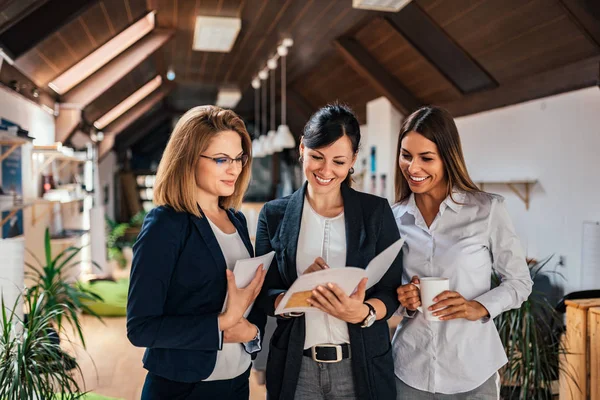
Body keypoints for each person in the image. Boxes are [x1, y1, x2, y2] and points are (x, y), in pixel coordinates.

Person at [255, 104, 403, 400]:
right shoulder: (273, 215)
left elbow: (390, 290)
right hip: (297, 368)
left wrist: (363, 312)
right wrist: (293, 296)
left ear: (353, 161)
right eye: (317, 157)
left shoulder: (376, 212)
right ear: (302, 149)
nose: (325, 171)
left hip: (360, 365)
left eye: (338, 161)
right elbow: (262, 292)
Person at [392, 106, 533, 399]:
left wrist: (478, 307)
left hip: (473, 371)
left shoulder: (487, 210)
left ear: (448, 158)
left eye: (426, 158)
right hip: (409, 369)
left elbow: (520, 282)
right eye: (406, 155)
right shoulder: (393, 219)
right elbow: (386, 294)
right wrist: (403, 299)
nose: (413, 168)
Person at [126, 106, 267, 400]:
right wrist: (220, 325)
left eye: (239, 158)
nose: (234, 169)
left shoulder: (236, 220)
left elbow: (244, 307)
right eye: (220, 159)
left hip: (237, 382)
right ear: (188, 159)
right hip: (183, 388)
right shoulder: (165, 224)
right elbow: (141, 328)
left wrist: (252, 334)